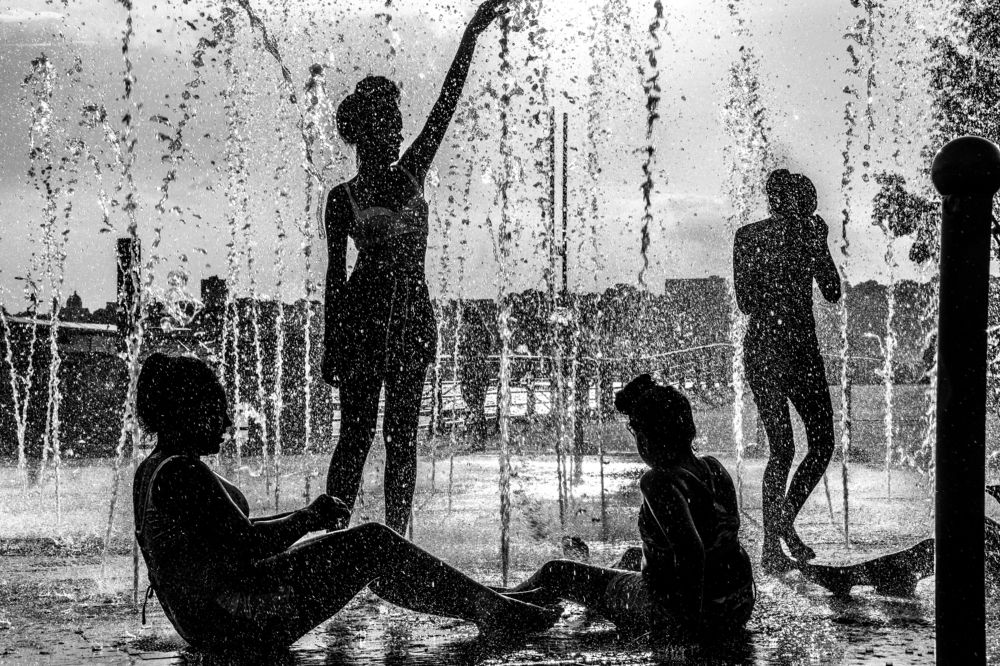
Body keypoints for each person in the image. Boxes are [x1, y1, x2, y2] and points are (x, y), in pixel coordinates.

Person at [132, 353, 560, 652]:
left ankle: (491, 601)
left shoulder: (155, 469)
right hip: (238, 621)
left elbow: (228, 536)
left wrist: (308, 516)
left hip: (211, 620)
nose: (226, 421)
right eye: (216, 409)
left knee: (374, 551)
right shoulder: (181, 472)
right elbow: (247, 542)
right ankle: (495, 610)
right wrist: (308, 518)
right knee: (374, 543)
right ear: (187, 411)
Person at [321, 0, 509, 534]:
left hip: (409, 317)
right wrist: (331, 345)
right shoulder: (343, 198)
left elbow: (446, 106)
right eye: (392, 122)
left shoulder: (410, 177)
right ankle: (334, 538)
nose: (402, 130)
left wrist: (471, 35)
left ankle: (397, 540)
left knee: (401, 436)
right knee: (356, 434)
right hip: (363, 319)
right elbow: (335, 278)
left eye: (401, 121)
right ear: (371, 130)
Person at [502, 374, 755, 637]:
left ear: (646, 436)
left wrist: (685, 636)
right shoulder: (713, 467)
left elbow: (692, 553)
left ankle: (506, 605)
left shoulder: (659, 481)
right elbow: (724, 539)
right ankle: (582, 596)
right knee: (633, 556)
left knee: (557, 572)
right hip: (735, 605)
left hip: (683, 613)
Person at [733, 169, 841, 573]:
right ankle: (772, 542)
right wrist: (807, 247)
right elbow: (746, 300)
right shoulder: (760, 236)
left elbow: (832, 291)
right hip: (776, 350)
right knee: (790, 448)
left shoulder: (761, 237)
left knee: (815, 445)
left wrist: (818, 246)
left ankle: (780, 528)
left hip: (785, 352)